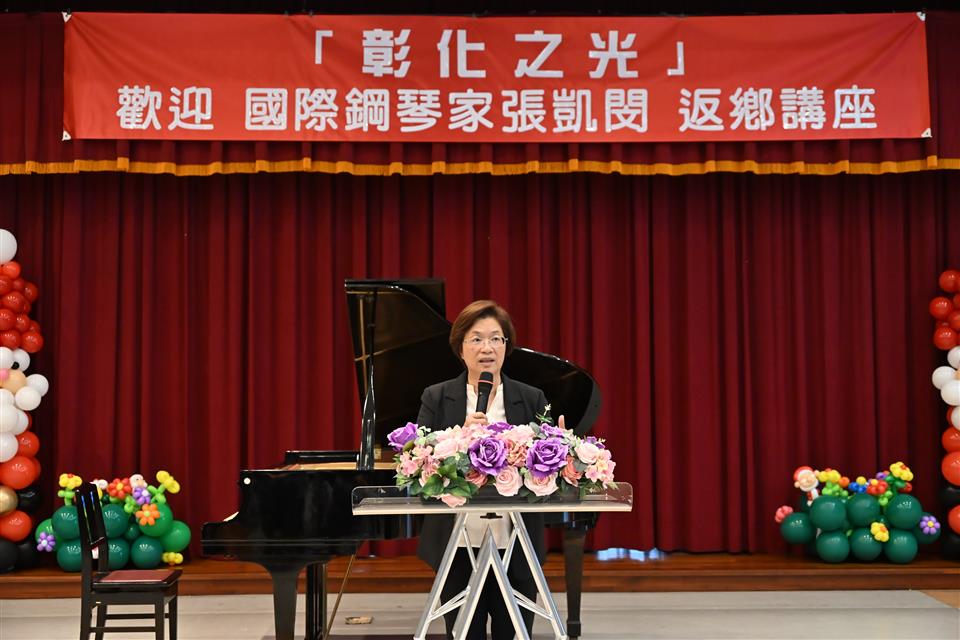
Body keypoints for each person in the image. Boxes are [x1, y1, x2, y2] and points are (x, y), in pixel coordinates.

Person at [416, 299, 559, 640]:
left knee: (514, 631)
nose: (487, 348)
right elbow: (420, 463)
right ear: (460, 348)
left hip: (517, 540)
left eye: (496, 338)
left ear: (506, 346)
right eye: (477, 339)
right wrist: (458, 438)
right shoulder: (437, 397)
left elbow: (548, 467)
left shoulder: (532, 398)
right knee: (466, 633)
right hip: (457, 541)